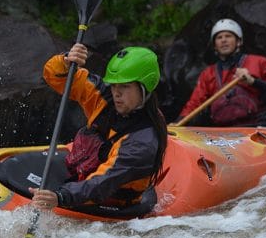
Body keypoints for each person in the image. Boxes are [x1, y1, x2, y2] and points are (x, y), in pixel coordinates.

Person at [30, 44, 168, 213]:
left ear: (145, 87)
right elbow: (57, 78)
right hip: (81, 176)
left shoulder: (143, 141)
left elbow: (104, 182)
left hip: (108, 201)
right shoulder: (105, 95)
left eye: (125, 86)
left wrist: (61, 197)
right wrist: (66, 61)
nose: (117, 93)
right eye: (114, 85)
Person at [177, 18, 266, 126]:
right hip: (225, 133)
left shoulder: (259, 63)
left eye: (228, 36)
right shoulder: (208, 74)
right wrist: (178, 122)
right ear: (215, 45)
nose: (223, 40)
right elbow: (194, 103)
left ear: (239, 41)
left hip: (259, 125)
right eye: (219, 37)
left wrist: (254, 82)